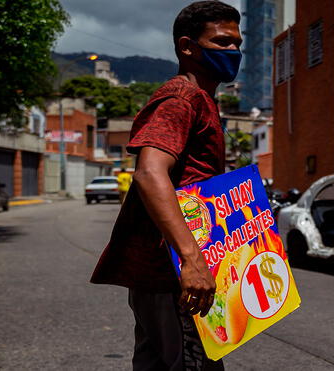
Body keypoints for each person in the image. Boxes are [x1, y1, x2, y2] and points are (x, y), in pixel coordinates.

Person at [90, 2, 242, 370]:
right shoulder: (181, 99)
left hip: (171, 273)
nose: (233, 51)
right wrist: (192, 261)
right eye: (221, 42)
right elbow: (150, 173)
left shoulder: (201, 100)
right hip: (171, 274)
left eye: (237, 42)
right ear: (188, 47)